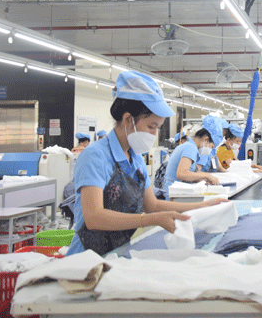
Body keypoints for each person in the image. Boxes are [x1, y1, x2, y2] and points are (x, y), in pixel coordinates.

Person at [67, 71, 228, 256]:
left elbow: (153, 206)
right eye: (151, 127)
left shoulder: (135, 158)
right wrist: (148, 220)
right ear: (128, 119)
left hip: (115, 254)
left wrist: (202, 207)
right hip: (84, 260)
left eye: (157, 128)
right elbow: (94, 217)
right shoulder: (95, 156)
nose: (154, 135)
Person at [164, 119, 223, 200]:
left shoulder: (191, 147)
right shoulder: (190, 147)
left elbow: (189, 174)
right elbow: (181, 174)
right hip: (173, 195)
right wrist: (207, 175)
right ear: (205, 139)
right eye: (211, 147)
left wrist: (203, 179)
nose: (210, 150)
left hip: (175, 191)